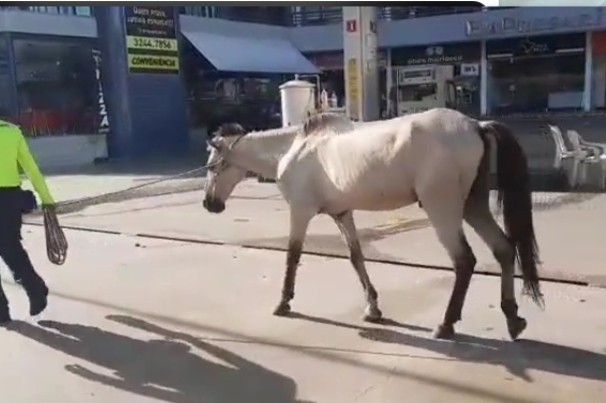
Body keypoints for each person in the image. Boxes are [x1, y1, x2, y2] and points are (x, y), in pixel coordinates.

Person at [0, 119, 55, 323]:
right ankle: (35, 289)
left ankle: (2, 311)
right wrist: (46, 199)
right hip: (9, 199)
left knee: (10, 248)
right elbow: (31, 168)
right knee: (11, 248)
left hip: (7, 199)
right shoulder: (11, 132)